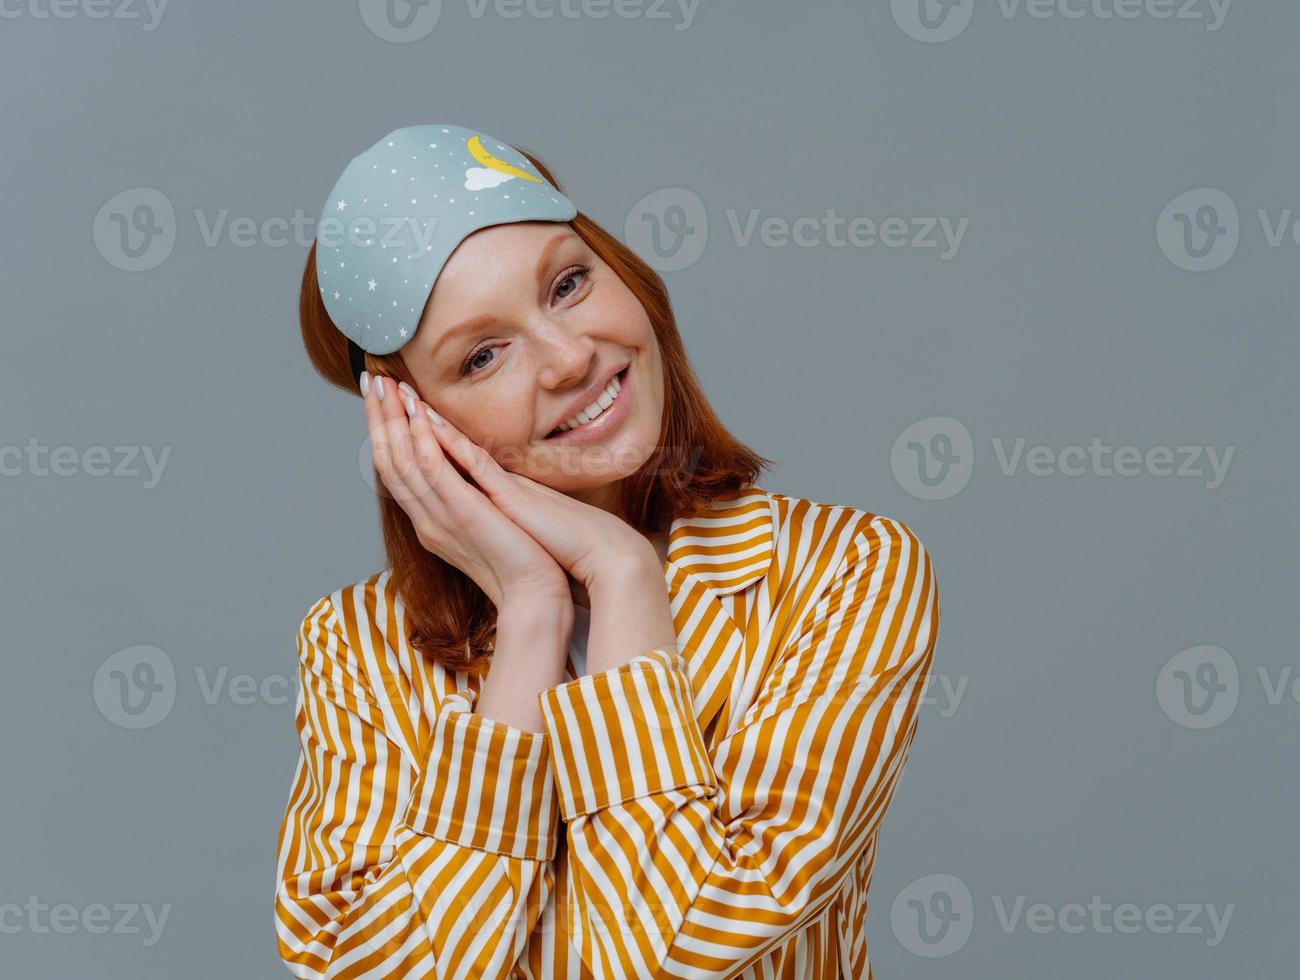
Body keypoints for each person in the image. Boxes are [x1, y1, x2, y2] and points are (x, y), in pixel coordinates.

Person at [273, 123, 941, 979]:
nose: (569, 356)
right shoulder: (357, 646)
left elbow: (685, 945)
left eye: (568, 283)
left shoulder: (844, 572)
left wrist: (622, 575)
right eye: (482, 355)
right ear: (415, 423)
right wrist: (531, 616)